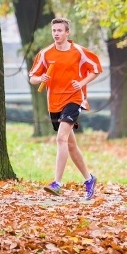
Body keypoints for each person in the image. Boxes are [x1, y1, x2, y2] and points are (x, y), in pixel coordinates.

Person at [29, 18, 102, 200]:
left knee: (61, 139)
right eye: (54, 30)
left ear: (67, 32)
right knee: (70, 145)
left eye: (60, 30)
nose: (56, 33)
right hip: (54, 102)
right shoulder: (45, 54)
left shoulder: (77, 51)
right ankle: (89, 179)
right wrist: (41, 79)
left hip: (73, 99)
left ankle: (57, 184)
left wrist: (81, 83)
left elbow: (96, 68)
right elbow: (32, 77)